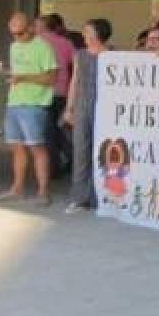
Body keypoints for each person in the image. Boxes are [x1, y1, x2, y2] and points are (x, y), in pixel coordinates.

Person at [0, 13, 57, 206]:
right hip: (14, 102)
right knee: (17, 147)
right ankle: (17, 188)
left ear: (31, 28)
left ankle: (43, 192)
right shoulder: (14, 47)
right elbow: (18, 73)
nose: (17, 36)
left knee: (37, 147)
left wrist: (22, 78)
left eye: (20, 31)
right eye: (13, 32)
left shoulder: (43, 47)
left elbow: (51, 78)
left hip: (34, 104)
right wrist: (7, 73)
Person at [63, 19, 112, 214]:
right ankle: (80, 197)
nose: (84, 35)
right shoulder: (80, 55)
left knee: (103, 152)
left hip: (105, 108)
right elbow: (74, 81)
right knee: (81, 150)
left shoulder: (112, 55)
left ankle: (102, 195)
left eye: (87, 31)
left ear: (98, 34)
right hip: (83, 106)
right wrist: (69, 107)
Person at [35, 14, 76, 180]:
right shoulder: (66, 43)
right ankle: (73, 162)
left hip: (42, 92)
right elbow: (75, 63)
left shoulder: (36, 42)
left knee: (48, 133)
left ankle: (53, 169)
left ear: (44, 26)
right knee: (63, 131)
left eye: (37, 25)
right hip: (62, 91)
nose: (35, 27)